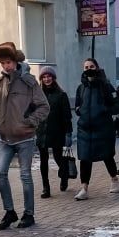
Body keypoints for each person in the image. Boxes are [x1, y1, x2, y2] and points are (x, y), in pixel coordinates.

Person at [0, 42, 50, 229]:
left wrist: (29, 121)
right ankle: (9, 212)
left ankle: (29, 213)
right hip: (5, 138)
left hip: (24, 137)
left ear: (15, 61)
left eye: (8, 62)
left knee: (25, 175)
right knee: (0, 173)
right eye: (2, 63)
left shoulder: (29, 82)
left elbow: (44, 106)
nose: (6, 66)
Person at [73, 58, 119, 201]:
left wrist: (104, 110)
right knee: (85, 159)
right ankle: (84, 188)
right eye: (86, 67)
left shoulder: (105, 86)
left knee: (106, 156)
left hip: (102, 128)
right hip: (85, 129)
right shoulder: (81, 88)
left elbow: (116, 106)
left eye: (91, 66)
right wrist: (80, 111)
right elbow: (77, 106)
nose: (88, 69)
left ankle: (114, 179)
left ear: (97, 67)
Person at [35, 66, 73, 198]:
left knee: (58, 158)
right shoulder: (38, 94)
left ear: (53, 78)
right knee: (43, 160)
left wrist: (68, 133)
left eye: (49, 76)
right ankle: (46, 188)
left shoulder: (61, 95)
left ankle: (64, 176)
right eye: (44, 77)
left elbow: (67, 116)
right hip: (41, 132)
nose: (47, 79)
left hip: (57, 131)